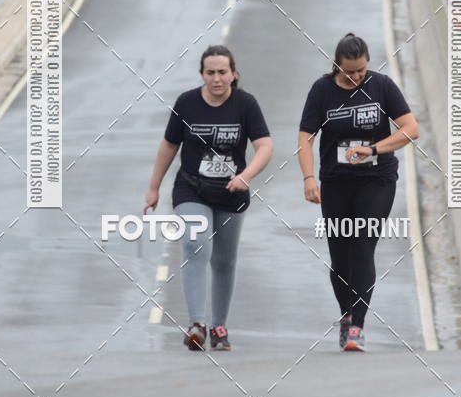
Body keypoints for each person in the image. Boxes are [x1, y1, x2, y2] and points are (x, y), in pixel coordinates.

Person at [144, 45, 272, 352]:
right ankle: (197, 324)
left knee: (224, 261)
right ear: (202, 74)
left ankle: (219, 327)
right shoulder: (187, 103)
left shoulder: (246, 104)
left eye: (222, 72)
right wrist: (154, 187)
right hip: (192, 187)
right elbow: (168, 146)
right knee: (195, 243)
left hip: (231, 191)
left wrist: (246, 176)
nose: (217, 79)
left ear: (233, 74)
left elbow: (265, 146)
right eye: (210, 73)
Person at [298, 33, 419, 352]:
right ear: (337, 65)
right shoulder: (321, 91)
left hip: (376, 179)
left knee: (362, 247)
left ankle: (357, 328)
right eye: (350, 72)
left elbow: (410, 129)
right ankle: (346, 316)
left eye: (361, 70)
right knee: (340, 256)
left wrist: (374, 148)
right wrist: (309, 177)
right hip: (336, 181)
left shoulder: (381, 86)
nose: (356, 77)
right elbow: (305, 138)